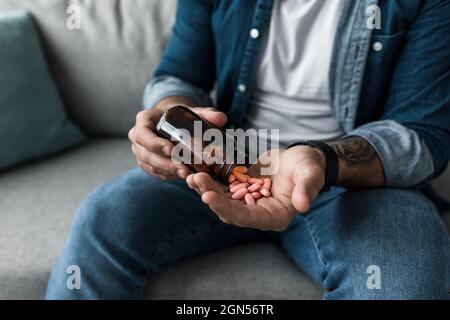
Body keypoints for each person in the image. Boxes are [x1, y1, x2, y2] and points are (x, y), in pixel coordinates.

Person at [46, 0, 450, 299]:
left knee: (403, 285)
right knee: (101, 221)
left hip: (352, 175)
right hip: (226, 160)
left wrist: (320, 159)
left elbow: (421, 135)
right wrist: (171, 120)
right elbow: (177, 76)